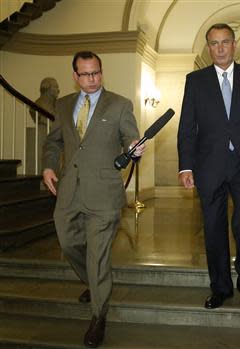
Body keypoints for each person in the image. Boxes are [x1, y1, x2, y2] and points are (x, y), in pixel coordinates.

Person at [42, 51, 145, 348]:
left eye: (96, 73)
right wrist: (49, 165)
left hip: (104, 194)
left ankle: (99, 316)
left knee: (97, 255)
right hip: (69, 191)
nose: (92, 79)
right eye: (85, 74)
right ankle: (93, 282)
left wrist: (133, 147)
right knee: (68, 242)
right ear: (74, 76)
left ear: (102, 71)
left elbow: (130, 137)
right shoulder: (63, 105)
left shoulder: (120, 104)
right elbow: (54, 141)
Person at [177, 23, 240, 313]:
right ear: (208, 48)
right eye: (214, 43)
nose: (220, 48)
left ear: (234, 45)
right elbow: (186, 128)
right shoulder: (195, 80)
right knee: (213, 229)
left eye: (225, 42)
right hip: (209, 166)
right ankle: (220, 286)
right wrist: (185, 167)